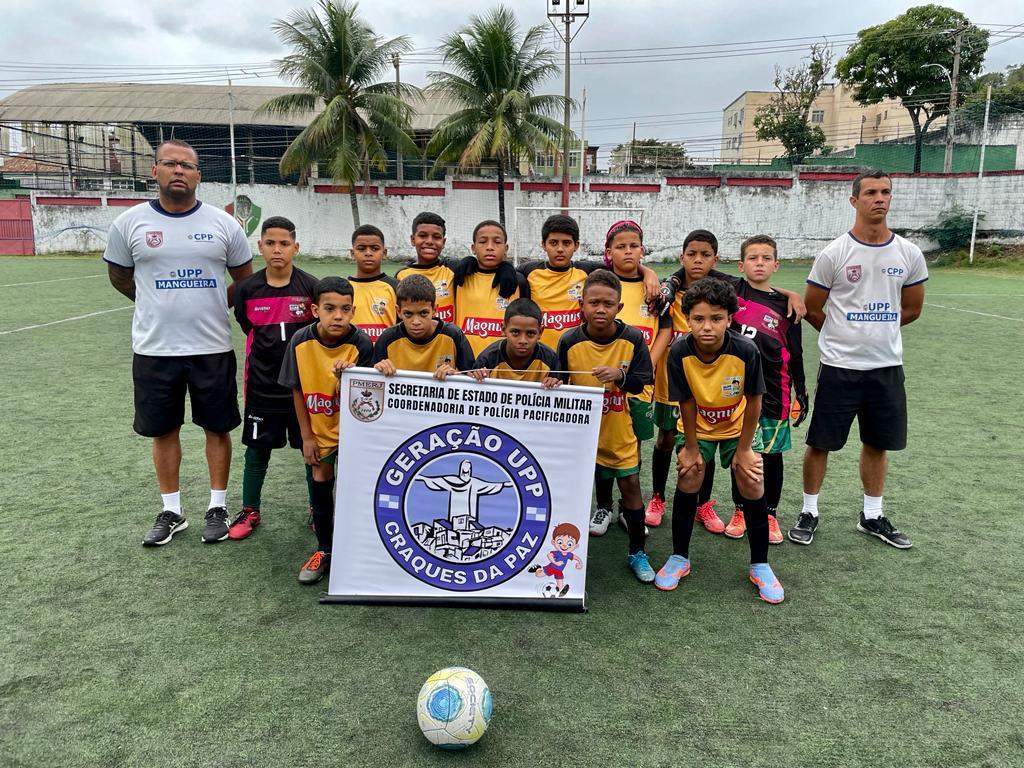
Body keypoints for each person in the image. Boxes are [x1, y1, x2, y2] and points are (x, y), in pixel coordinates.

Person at [104, 138, 253, 547]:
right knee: (163, 430)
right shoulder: (130, 223)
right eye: (170, 163)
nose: (179, 171)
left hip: (211, 347)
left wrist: (211, 305)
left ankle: (217, 506)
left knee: (216, 427)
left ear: (198, 175)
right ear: (155, 171)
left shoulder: (223, 225)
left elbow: (244, 280)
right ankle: (172, 511)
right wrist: (151, 302)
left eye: (187, 165)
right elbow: (119, 276)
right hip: (155, 349)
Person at [793, 169, 927, 548]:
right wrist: (844, 335)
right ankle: (809, 510)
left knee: (877, 442)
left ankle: (871, 515)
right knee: (821, 442)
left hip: (886, 366)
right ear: (855, 201)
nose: (879, 199)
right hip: (839, 366)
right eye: (870, 193)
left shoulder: (908, 253)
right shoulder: (835, 253)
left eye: (885, 192)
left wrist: (877, 332)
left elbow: (913, 309)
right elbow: (814, 308)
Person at [658, 278, 784, 603]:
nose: (707, 327)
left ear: (730, 318)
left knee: (752, 481)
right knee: (689, 475)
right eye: (698, 319)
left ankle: (760, 565)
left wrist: (744, 450)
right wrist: (689, 447)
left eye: (716, 318)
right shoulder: (678, 352)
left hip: (737, 428)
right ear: (687, 319)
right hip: (697, 428)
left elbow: (754, 399)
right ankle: (679, 557)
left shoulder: (745, 350)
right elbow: (685, 400)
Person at [555, 269, 656, 584]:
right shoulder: (569, 340)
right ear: (582, 305)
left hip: (619, 428)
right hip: (582, 433)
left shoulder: (633, 338)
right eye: (594, 302)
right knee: (577, 489)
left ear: (619, 307)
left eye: (608, 304)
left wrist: (620, 376)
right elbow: (560, 382)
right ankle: (566, 552)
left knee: (631, 488)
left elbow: (645, 380)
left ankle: (637, 553)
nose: (601, 309)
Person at [278, 276, 374, 584]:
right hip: (318, 428)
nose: (338, 316)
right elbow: (296, 390)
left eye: (345, 309)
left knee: (354, 487)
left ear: (353, 311)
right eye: (330, 308)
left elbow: (368, 393)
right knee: (321, 479)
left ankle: (356, 550)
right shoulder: (300, 341)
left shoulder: (361, 344)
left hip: (352, 431)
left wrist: (349, 377)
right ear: (314, 309)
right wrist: (306, 436)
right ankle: (324, 550)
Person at [229, 216, 319, 540]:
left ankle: (317, 508)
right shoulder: (247, 290)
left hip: (303, 389)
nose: (277, 250)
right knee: (256, 451)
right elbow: (246, 326)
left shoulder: (310, 288)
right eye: (270, 243)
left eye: (284, 244)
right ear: (260, 247)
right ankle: (250, 509)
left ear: (296, 247)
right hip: (262, 388)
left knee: (312, 452)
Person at [721, 235, 808, 546]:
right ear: (741, 264)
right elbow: (691, 273)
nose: (759, 263)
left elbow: (795, 352)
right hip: (737, 391)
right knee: (740, 452)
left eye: (766, 258)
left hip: (775, 390)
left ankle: (770, 514)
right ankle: (740, 510)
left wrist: (801, 389)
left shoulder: (787, 306)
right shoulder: (732, 291)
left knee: (771, 456)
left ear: (776, 264)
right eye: (753, 258)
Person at [591, 220, 671, 537]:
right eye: (620, 246)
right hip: (601, 380)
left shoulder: (654, 289)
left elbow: (665, 329)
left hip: (637, 383)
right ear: (608, 252)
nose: (628, 251)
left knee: (633, 442)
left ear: (642, 249)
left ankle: (628, 507)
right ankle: (603, 506)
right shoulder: (600, 283)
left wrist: (645, 367)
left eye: (633, 246)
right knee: (599, 442)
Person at [647, 229, 728, 533]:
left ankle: (702, 504)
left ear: (715, 259)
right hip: (670, 383)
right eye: (691, 254)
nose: (697, 260)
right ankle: (657, 497)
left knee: (703, 443)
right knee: (666, 437)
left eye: (705, 255)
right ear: (681, 257)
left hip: (706, 386)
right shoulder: (667, 296)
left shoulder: (721, 294)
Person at [519, 214, 661, 351]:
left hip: (575, 353)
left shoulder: (587, 271)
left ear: (576, 245)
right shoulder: (529, 271)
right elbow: (506, 270)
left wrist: (648, 272)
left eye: (567, 243)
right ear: (543, 244)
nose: (560, 249)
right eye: (553, 243)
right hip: (541, 355)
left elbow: (621, 265)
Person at [373, 274, 475, 380]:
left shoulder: (453, 335)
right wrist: (377, 370)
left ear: (435, 310)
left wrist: (456, 376)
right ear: (398, 311)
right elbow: (369, 381)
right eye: (408, 314)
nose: (416, 322)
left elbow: (472, 377)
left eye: (423, 313)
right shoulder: (387, 338)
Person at [453, 219, 530, 357]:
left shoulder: (518, 281)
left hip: (503, 362)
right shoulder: (460, 276)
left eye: (497, 242)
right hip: (466, 362)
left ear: (506, 249)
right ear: (473, 248)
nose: (490, 247)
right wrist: (466, 260)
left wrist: (508, 267)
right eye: (482, 242)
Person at [468, 298, 559, 384]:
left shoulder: (550, 359)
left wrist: (554, 384)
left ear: (540, 331)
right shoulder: (487, 359)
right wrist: (478, 378)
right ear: (503, 329)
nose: (523, 340)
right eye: (515, 332)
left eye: (530, 333)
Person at [395, 212, 457, 323]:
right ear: (413, 239)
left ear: (443, 242)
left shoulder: (454, 269)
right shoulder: (401, 275)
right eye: (423, 236)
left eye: (436, 237)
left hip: (446, 340)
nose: (429, 241)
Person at [348, 224, 399, 343]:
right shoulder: (343, 288)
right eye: (361, 248)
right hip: (353, 356)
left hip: (386, 357)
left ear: (384, 253)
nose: (368, 253)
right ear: (352, 253)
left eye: (374, 248)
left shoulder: (396, 287)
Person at [527, 523, 584, 597]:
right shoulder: (557, 553)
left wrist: (580, 563)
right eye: (560, 542)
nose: (564, 545)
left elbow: (576, 557)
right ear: (553, 542)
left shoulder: (568, 554)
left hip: (559, 571)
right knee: (538, 575)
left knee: (560, 579)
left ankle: (561, 590)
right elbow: (549, 555)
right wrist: (555, 562)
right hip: (551, 568)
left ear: (576, 546)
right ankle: (538, 568)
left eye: (569, 543)